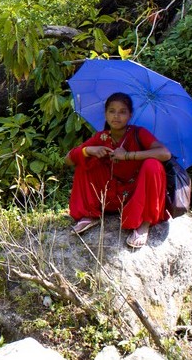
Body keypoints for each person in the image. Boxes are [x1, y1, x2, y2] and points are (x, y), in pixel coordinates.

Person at [65, 92, 172, 248]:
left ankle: (144, 224)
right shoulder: (102, 137)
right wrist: (89, 150)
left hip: (136, 194)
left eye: (122, 112)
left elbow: (164, 153)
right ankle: (90, 214)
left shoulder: (138, 133)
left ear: (130, 115)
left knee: (153, 165)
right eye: (112, 111)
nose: (116, 116)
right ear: (105, 114)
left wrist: (128, 155)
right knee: (85, 159)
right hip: (112, 196)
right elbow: (68, 159)